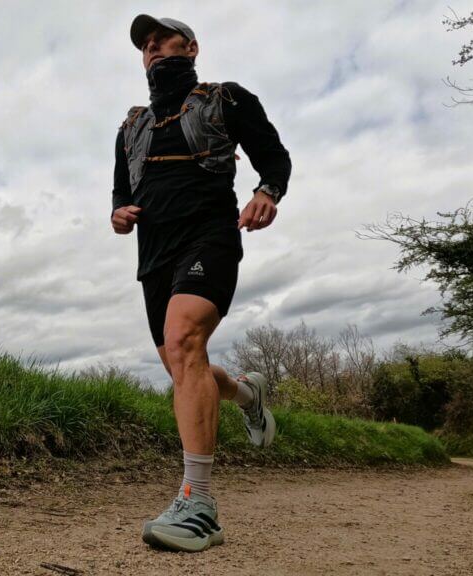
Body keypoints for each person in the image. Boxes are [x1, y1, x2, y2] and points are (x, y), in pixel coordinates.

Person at [111, 14, 291, 553]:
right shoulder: (131, 127)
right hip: (155, 255)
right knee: (180, 359)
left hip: (209, 235)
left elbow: (273, 156)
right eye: (145, 45)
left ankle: (199, 503)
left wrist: (268, 191)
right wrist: (118, 214)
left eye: (161, 40)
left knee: (186, 339)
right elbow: (122, 194)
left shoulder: (226, 98)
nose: (152, 50)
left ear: (190, 47)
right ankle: (246, 393)